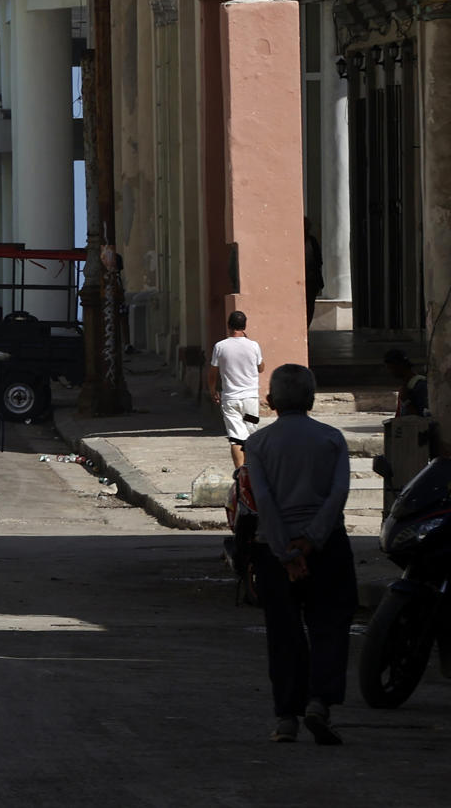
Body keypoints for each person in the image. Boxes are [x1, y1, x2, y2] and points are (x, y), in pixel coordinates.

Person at [245, 363, 355, 745]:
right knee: (329, 626)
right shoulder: (332, 439)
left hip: (275, 552)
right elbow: (338, 495)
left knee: (284, 632)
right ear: (312, 399)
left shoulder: (257, 444)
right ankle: (320, 704)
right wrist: (312, 539)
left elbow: (264, 502)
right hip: (327, 548)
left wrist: (287, 551)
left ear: (271, 401)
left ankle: (286, 718)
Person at [209, 310, 264, 469]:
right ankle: (252, 470)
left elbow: (212, 373)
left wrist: (213, 391)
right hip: (251, 401)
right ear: (245, 326)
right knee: (251, 433)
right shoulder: (254, 345)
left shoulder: (220, 346)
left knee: (235, 438)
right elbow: (261, 368)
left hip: (230, 400)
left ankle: (240, 473)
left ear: (228, 326)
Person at [384, 348, 430, 418]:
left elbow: (422, 419)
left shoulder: (420, 385)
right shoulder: (406, 385)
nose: (390, 372)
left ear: (399, 365)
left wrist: (406, 401)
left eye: (390, 368)